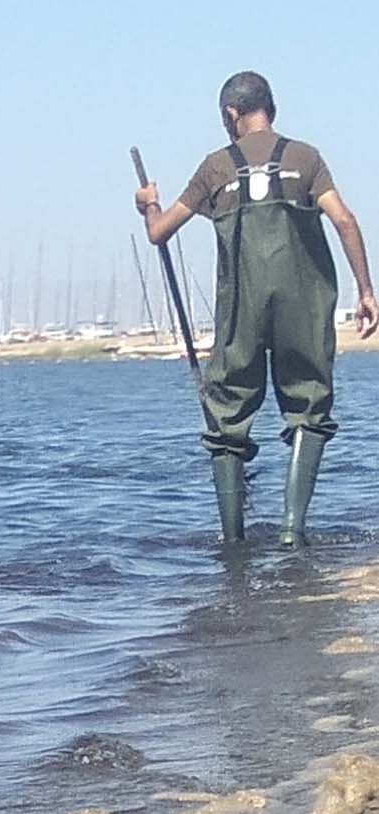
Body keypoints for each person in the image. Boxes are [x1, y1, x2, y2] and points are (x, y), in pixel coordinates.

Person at [135, 71, 377, 545]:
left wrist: (147, 204)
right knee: (308, 407)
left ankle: (232, 542)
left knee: (226, 417)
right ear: (272, 108)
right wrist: (366, 291)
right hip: (303, 308)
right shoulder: (305, 158)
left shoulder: (215, 167)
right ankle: (291, 531)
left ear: (230, 115)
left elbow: (159, 231)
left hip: (240, 311)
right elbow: (344, 219)